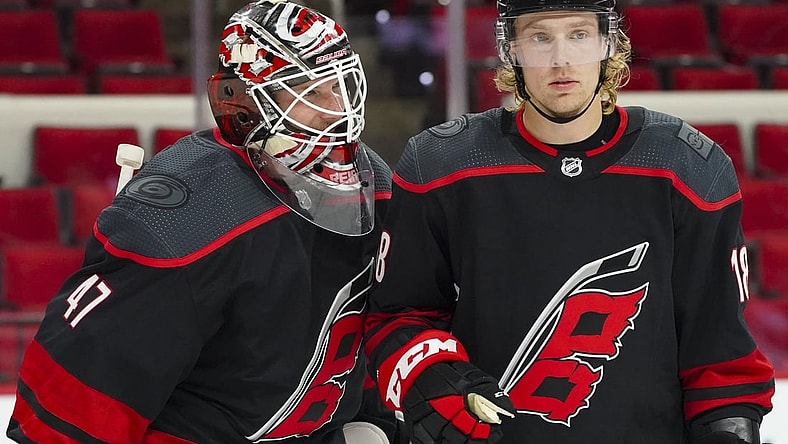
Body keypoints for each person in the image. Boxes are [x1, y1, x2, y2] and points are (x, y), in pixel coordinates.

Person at [363, 0, 775, 443]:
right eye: (540, 37)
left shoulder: (687, 167)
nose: (561, 59)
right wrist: (430, 376)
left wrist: (728, 430)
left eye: (579, 35)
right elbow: (397, 316)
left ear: (608, 44)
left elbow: (718, 348)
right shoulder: (441, 164)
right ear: (511, 50)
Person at [6, 1, 397, 443]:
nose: (338, 110)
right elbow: (77, 398)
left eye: (342, 86)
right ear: (247, 102)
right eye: (312, 92)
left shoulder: (374, 181)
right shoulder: (186, 217)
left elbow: (362, 340)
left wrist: (379, 421)